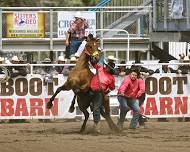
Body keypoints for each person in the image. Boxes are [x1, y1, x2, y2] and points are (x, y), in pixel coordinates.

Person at [89, 61, 116, 133]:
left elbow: (112, 88)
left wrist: (106, 93)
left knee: (96, 108)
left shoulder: (111, 78)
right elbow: (93, 63)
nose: (107, 68)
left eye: (109, 67)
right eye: (107, 66)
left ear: (111, 69)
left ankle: (97, 125)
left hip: (99, 93)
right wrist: (93, 59)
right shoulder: (100, 68)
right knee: (96, 108)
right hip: (90, 90)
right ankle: (101, 121)